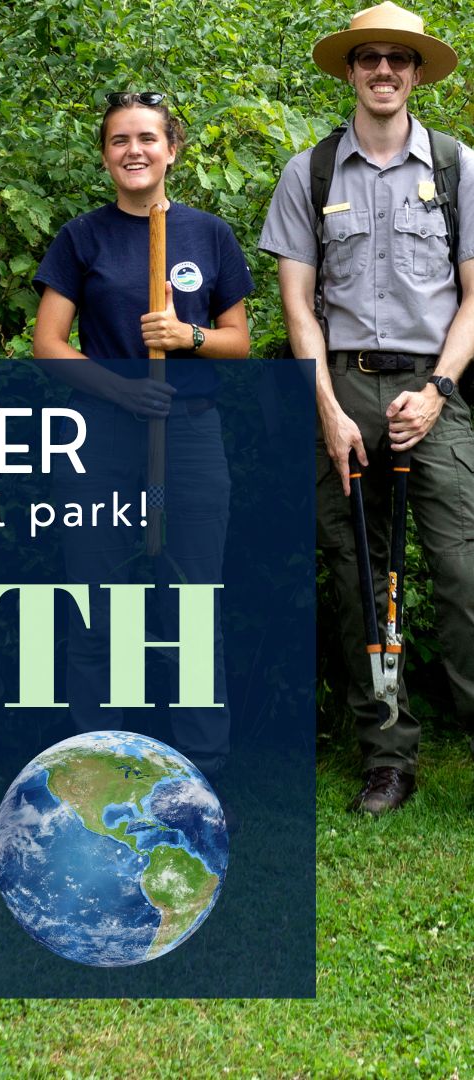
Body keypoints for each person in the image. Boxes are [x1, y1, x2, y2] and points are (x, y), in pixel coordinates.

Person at [259, 2, 474, 814]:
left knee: (461, 573)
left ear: (417, 74)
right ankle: (387, 754)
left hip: (436, 389)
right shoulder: (308, 173)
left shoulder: (458, 167)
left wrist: (440, 389)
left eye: (399, 59)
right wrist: (326, 406)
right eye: (368, 58)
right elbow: (300, 307)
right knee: (360, 577)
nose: (383, 70)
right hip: (340, 387)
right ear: (349, 71)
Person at [33, 92, 252, 790]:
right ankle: (97, 769)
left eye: (148, 138)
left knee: (192, 604)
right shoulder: (82, 238)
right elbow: (47, 344)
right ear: (105, 154)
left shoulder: (208, 235)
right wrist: (122, 389)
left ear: (172, 149)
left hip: (188, 437)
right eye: (120, 139)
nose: (135, 150)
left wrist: (186, 337)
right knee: (98, 604)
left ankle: (201, 776)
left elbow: (238, 343)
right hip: (100, 438)